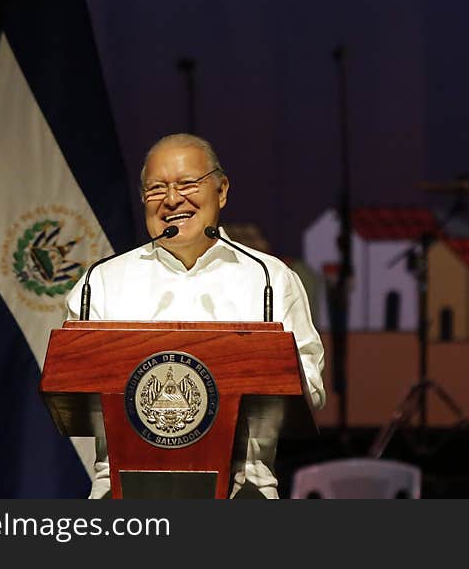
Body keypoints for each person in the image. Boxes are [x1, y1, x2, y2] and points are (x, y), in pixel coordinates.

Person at [65, 133, 326, 498]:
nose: (172, 199)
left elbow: (311, 393)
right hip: (126, 493)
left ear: (221, 191)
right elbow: (72, 387)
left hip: (243, 491)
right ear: (143, 198)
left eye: (187, 184)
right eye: (157, 188)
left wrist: (259, 372)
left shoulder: (269, 279)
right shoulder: (102, 281)